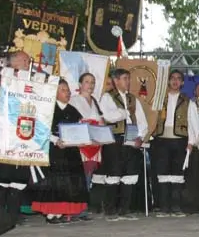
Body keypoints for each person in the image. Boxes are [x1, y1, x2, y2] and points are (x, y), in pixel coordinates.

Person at [31, 80, 89, 224]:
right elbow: (41, 130)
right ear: (54, 92)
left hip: (71, 151)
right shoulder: (48, 109)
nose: (67, 92)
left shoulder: (73, 110)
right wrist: (55, 140)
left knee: (70, 182)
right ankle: (51, 213)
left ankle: (64, 212)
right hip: (55, 150)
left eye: (68, 90)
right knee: (56, 182)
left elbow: (79, 128)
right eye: (63, 89)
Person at [0, 51, 33, 225]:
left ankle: (14, 215)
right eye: (25, 60)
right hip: (5, 136)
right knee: (4, 176)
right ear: (13, 63)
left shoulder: (27, 84)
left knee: (20, 176)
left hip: (23, 137)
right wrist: (11, 121)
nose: (28, 63)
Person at [98, 68, 149, 221]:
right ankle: (110, 210)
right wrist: (124, 112)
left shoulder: (133, 99)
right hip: (115, 138)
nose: (128, 81)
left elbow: (142, 121)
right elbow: (108, 116)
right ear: (116, 80)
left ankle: (125, 209)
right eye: (125, 78)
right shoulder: (107, 97)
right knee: (114, 174)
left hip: (132, 138)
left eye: (128, 78)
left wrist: (140, 137)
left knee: (130, 174)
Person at [149, 70, 198, 217]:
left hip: (179, 140)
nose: (175, 81)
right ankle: (164, 207)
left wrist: (191, 142)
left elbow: (193, 123)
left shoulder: (188, 101)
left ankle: (176, 207)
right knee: (162, 173)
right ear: (168, 81)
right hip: (161, 139)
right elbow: (151, 118)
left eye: (178, 79)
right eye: (172, 78)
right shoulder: (159, 99)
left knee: (177, 174)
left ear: (182, 82)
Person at [69, 73, 104, 213]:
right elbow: (72, 123)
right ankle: (76, 208)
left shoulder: (95, 102)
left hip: (95, 144)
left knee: (89, 177)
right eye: (87, 81)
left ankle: (83, 207)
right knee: (79, 176)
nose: (90, 85)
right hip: (81, 144)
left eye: (92, 82)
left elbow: (101, 122)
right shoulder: (74, 101)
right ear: (79, 84)